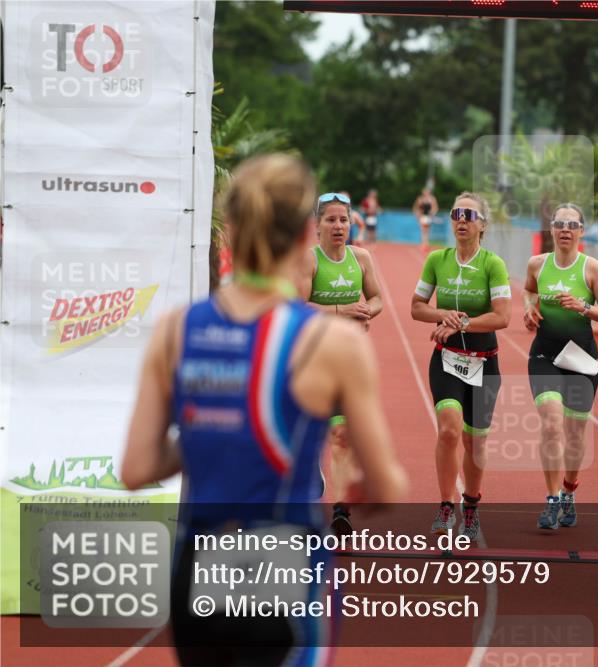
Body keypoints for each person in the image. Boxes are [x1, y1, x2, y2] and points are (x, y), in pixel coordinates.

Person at [121, 154, 407, 665]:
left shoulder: (175, 329)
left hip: (200, 563)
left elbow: (137, 469)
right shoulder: (331, 342)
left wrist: (215, 429)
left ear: (228, 231)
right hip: (283, 562)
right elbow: (386, 486)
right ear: (305, 235)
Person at [411, 192, 511, 539]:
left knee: (475, 442)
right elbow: (416, 307)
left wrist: (461, 323)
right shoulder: (438, 260)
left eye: (470, 214)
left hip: (485, 362)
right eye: (457, 213)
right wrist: (443, 315)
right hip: (447, 359)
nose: (462, 220)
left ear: (483, 224)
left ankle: (471, 505)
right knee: (450, 429)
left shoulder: (492, 264)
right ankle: (445, 503)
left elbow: (502, 317)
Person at [522, 203, 598, 530]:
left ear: (580, 231)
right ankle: (550, 501)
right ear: (551, 229)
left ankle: (568, 491)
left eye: (571, 224)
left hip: (582, 358)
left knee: (575, 434)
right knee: (550, 423)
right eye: (559, 223)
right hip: (545, 355)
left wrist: (584, 307)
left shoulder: (592, 269)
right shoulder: (537, 264)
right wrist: (530, 311)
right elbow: (529, 292)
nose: (565, 229)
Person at [300, 191, 385, 536]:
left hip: (348, 362)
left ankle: (341, 511)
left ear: (352, 224)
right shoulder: (309, 260)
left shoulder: (361, 257)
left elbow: (377, 298)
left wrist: (367, 310)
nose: (338, 226)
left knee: (341, 434)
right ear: (317, 224)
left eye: (344, 220)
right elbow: (296, 306)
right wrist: (341, 311)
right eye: (331, 219)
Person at [412, 187, 439, 252]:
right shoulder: (420, 199)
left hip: (428, 217)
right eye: (425, 192)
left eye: (427, 192)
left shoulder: (432, 199)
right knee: (423, 230)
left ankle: (425, 244)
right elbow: (416, 207)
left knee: (426, 231)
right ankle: (424, 244)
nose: (426, 193)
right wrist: (417, 215)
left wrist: (433, 213)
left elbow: (435, 207)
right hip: (422, 216)